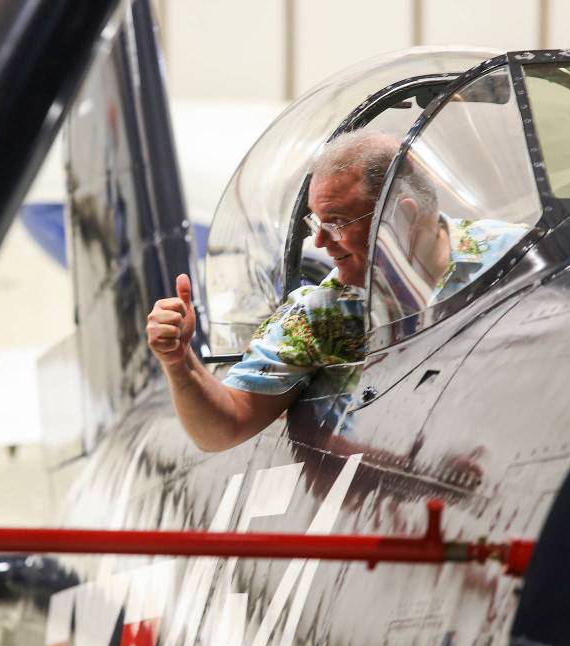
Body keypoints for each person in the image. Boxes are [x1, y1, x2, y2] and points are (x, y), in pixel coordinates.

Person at [146, 128, 526, 452]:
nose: (320, 242)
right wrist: (179, 363)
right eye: (316, 222)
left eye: (338, 222)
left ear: (405, 215)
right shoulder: (320, 315)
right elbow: (224, 427)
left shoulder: (520, 257)